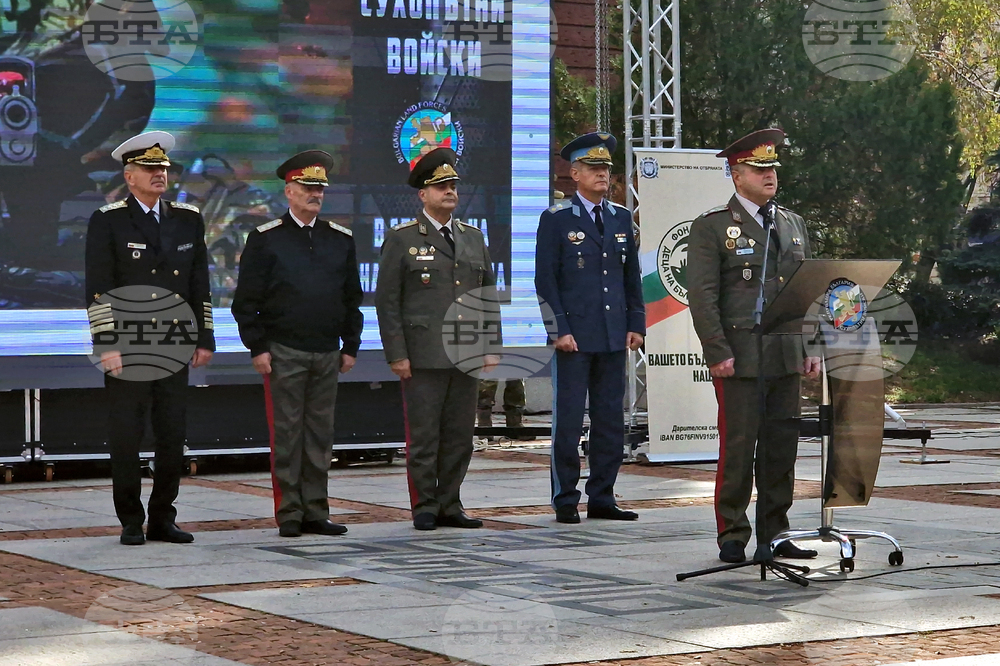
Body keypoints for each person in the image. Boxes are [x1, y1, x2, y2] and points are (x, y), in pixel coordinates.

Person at [687, 128, 822, 564]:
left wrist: (812, 346)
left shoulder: (792, 224)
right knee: (739, 448)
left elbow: (809, 291)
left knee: (781, 449)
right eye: (758, 169)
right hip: (740, 357)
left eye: (772, 169)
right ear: (735, 174)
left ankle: (776, 532)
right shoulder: (712, 227)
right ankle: (732, 532)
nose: (769, 176)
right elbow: (703, 296)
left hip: (785, 356)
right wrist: (717, 351)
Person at [84, 131, 214, 546]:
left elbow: (200, 284)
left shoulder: (187, 218)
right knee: (127, 433)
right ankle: (129, 519)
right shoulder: (109, 219)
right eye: (150, 169)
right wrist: (106, 343)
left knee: (172, 433)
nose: (160, 174)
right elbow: (98, 288)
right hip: (129, 344)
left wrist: (204, 337)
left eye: (163, 168)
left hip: (174, 343)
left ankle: (163, 517)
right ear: (129, 176)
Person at [231, 150, 363, 538]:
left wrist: (351, 344)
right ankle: (290, 512)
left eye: (320, 188)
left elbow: (351, 297)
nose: (315, 194)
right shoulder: (265, 239)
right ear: (288, 191)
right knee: (287, 434)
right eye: (307, 188)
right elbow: (246, 302)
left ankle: (316, 510)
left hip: (327, 350)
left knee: (321, 435)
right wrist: (257, 347)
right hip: (284, 349)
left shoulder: (339, 239)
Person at [375, 147, 501, 531]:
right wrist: (396, 354)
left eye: (452, 185)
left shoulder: (473, 237)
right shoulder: (402, 238)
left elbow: (487, 295)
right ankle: (425, 506)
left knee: (460, 437)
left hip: (465, 354)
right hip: (423, 354)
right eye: (441, 186)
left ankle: (451, 503)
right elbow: (387, 301)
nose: (450, 191)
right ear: (423, 195)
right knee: (425, 437)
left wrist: (491, 345)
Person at [534, 132, 645, 524]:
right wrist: (557, 329)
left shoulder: (618, 216)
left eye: (606, 169)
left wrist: (637, 323)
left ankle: (603, 495)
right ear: (574, 173)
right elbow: (545, 281)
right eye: (594, 168)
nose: (603, 174)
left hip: (613, 332)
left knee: (609, 420)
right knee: (568, 420)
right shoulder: (557, 218)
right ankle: (565, 497)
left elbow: (631, 276)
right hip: (574, 336)